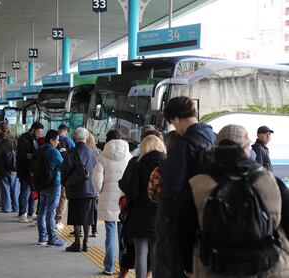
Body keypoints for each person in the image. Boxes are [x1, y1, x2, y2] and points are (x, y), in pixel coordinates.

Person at [178, 125, 289, 277]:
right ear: (246, 148)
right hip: (264, 267)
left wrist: (188, 267)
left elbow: (184, 231)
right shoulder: (272, 182)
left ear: (217, 148)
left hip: (214, 268)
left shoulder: (197, 183)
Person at [154, 96, 216, 277]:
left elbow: (173, 190)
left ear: (175, 119)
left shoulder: (183, 145)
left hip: (184, 219)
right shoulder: (213, 136)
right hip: (208, 215)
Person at [123, 135, 166, 278]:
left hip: (140, 214)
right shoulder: (167, 164)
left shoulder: (138, 164)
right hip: (160, 215)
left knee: (140, 253)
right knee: (156, 253)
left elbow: (132, 192)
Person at [92, 129, 132, 275]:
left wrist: (101, 190)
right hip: (123, 201)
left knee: (110, 234)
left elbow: (97, 180)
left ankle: (108, 267)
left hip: (108, 200)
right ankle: (123, 266)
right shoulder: (129, 156)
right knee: (123, 235)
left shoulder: (102, 156)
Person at [62, 127, 97, 252]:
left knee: (76, 216)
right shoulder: (93, 152)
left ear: (74, 138)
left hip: (76, 190)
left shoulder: (70, 153)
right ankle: (86, 243)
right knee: (87, 217)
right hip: (90, 189)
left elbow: (65, 172)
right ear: (86, 138)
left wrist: (65, 184)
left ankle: (77, 243)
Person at [36, 130, 66, 247]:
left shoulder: (40, 150)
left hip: (41, 184)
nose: (58, 143)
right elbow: (63, 165)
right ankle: (52, 238)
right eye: (57, 140)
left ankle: (42, 237)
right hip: (53, 184)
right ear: (51, 140)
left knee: (42, 211)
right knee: (51, 211)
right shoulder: (53, 152)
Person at [17, 122, 44, 223]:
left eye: (40, 132)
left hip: (33, 171)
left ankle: (30, 212)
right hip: (25, 171)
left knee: (33, 192)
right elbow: (22, 156)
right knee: (24, 192)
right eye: (37, 132)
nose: (39, 134)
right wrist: (31, 157)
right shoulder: (23, 139)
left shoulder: (36, 140)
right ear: (32, 129)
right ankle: (21, 213)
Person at [0, 122, 19, 213]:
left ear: (0, 128)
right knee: (15, 188)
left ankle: (7, 208)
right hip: (13, 167)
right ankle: (16, 207)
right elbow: (17, 153)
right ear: (8, 128)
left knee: (5, 188)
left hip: (2, 168)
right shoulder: (13, 139)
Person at [55, 124, 75, 230]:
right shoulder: (69, 141)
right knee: (63, 197)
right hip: (65, 173)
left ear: (59, 130)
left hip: (53, 173)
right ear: (66, 131)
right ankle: (58, 220)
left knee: (52, 195)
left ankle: (48, 217)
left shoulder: (53, 139)